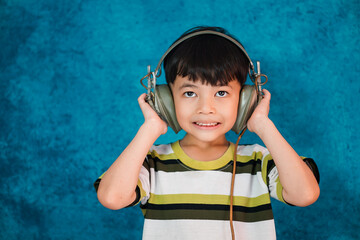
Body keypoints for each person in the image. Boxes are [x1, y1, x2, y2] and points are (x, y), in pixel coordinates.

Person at [94, 26, 320, 240]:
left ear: (246, 100)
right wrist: (150, 128)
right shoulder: (152, 162)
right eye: (190, 93)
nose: (206, 108)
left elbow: (305, 195)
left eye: (221, 93)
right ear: (166, 101)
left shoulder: (258, 160)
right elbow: (112, 197)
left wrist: (262, 124)